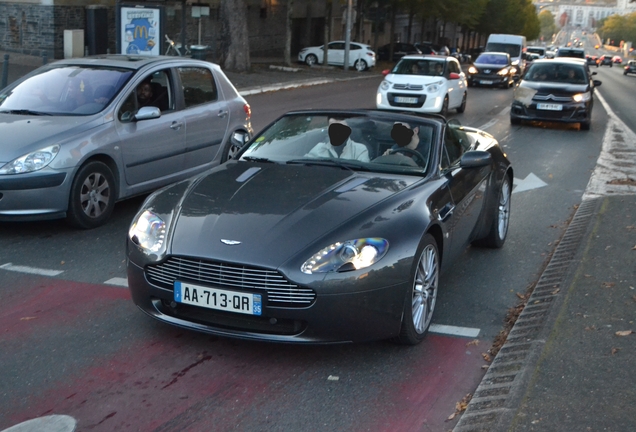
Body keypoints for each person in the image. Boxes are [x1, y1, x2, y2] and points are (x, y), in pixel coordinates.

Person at [305, 118, 370, 162]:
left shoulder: (359, 150)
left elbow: (363, 173)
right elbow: (305, 165)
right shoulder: (319, 148)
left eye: (341, 129)